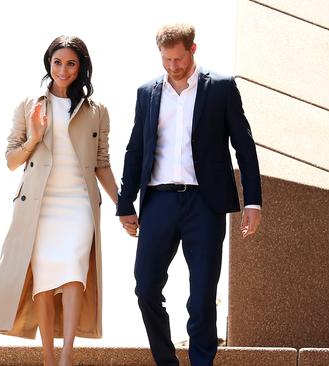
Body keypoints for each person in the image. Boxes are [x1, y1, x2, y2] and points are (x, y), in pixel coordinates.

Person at [117, 23, 262, 366]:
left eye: (179, 59)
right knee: (146, 288)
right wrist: (126, 202)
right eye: (166, 59)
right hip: (159, 202)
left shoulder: (222, 88)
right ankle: (166, 361)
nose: (172, 66)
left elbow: (244, 146)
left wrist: (252, 201)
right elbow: (136, 149)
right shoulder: (147, 92)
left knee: (201, 299)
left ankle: (201, 362)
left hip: (205, 204)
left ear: (192, 50)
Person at [0, 35, 118, 366]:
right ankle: (47, 357)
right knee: (43, 280)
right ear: (49, 64)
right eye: (57, 62)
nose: (63, 69)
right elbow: (12, 160)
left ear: (81, 67)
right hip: (40, 207)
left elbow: (102, 163)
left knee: (74, 273)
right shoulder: (31, 106)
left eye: (71, 63)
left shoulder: (96, 112)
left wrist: (123, 204)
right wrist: (34, 137)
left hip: (79, 205)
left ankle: (66, 356)